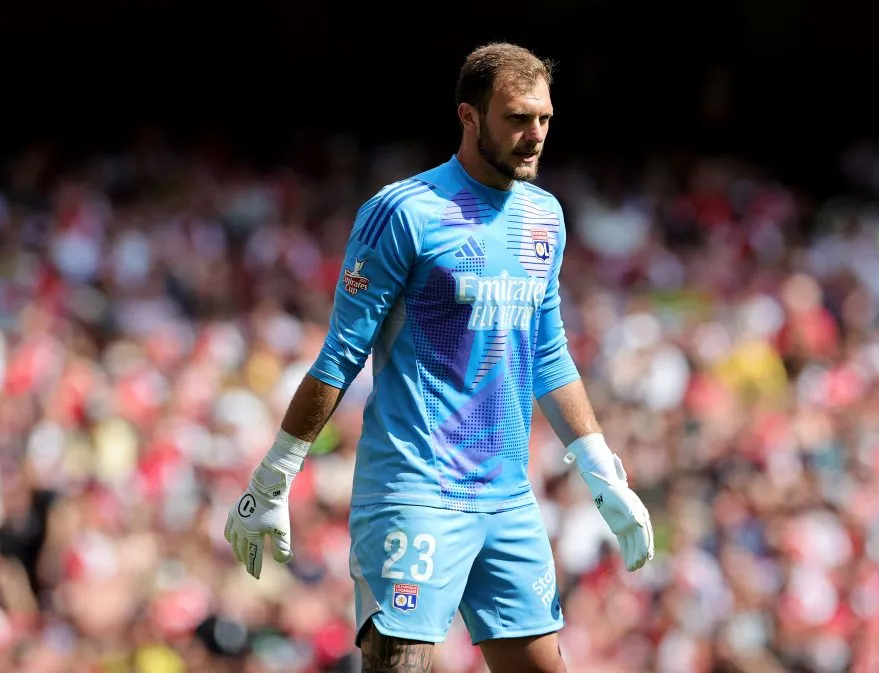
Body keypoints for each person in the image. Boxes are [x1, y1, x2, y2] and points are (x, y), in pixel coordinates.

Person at [223, 42, 655, 673]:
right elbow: (342, 353)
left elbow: (549, 354)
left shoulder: (545, 217)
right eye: (516, 118)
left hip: (508, 497)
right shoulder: (404, 213)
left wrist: (601, 471)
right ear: (469, 117)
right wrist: (275, 472)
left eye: (544, 118)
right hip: (414, 487)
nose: (535, 135)